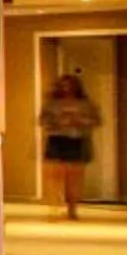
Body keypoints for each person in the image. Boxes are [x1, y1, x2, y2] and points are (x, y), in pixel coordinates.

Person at [39, 71, 100, 222]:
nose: (67, 89)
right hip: (56, 139)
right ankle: (54, 207)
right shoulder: (52, 103)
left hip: (77, 139)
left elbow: (96, 121)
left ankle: (72, 209)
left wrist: (79, 121)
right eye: (64, 86)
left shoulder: (85, 104)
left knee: (74, 178)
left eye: (71, 86)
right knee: (55, 176)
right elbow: (43, 120)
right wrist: (58, 121)